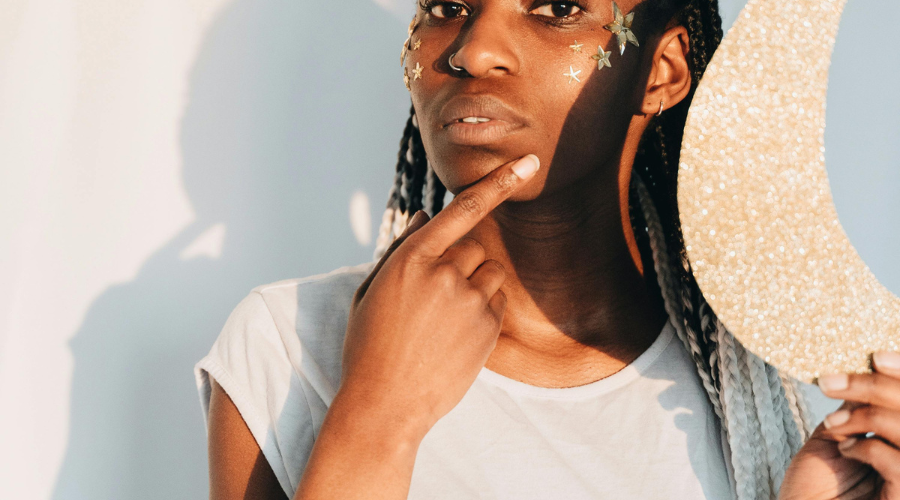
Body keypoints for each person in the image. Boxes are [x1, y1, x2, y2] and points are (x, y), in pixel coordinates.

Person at [195, 0, 900, 498]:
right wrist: (378, 416)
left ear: (662, 72)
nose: (472, 51)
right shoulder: (288, 347)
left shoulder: (778, 396)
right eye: (445, 4)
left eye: (557, 7)